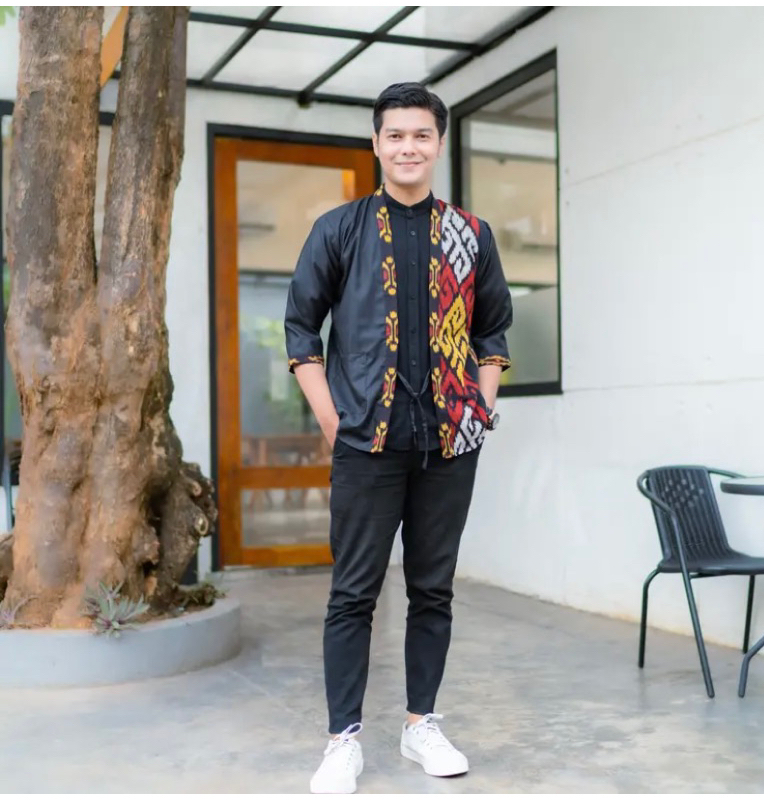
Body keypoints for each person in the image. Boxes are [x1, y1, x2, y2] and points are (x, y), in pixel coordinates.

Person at [285, 81, 513, 794]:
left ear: (437, 144)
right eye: (396, 135)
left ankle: (422, 725)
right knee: (353, 594)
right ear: (377, 143)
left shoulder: (470, 235)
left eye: (421, 135)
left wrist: (480, 406)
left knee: (432, 591)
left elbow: (493, 331)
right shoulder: (340, 229)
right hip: (366, 443)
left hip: (450, 445)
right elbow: (301, 330)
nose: (408, 147)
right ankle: (342, 741)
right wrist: (332, 420)